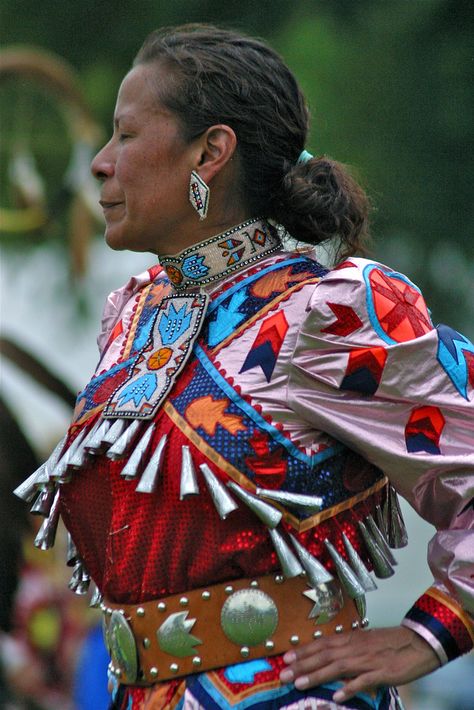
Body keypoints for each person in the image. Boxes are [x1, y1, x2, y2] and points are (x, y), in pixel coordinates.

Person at [16, 24, 473, 710]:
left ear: (211, 151)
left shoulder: (328, 316)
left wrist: (430, 633)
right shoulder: (135, 314)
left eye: (127, 135)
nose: (100, 163)